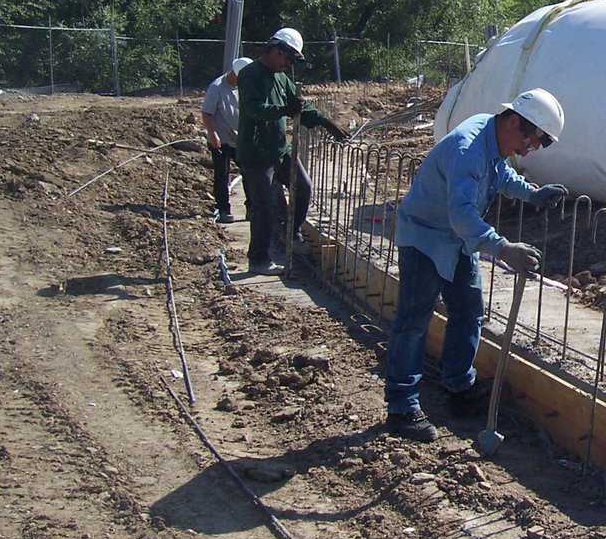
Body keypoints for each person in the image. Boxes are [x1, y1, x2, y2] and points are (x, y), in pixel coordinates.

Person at [385, 88, 570, 441]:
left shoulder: (491, 135)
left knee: (469, 312)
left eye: (541, 143)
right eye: (533, 139)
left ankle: (458, 388)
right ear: (514, 121)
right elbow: (462, 214)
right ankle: (401, 406)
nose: (531, 148)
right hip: (424, 237)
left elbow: (498, 174)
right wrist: (502, 249)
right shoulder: (468, 147)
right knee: (413, 322)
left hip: (455, 240)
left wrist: (531, 193)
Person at [237, 28, 348, 274]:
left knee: (304, 186)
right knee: (263, 207)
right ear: (276, 51)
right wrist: (283, 109)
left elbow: (301, 107)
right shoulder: (250, 74)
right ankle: (258, 259)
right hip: (256, 153)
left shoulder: (281, 78)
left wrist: (326, 122)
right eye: (288, 59)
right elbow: (255, 108)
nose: (288, 65)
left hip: (278, 149)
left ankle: (292, 231)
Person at [201, 56, 253, 223]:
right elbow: (206, 113)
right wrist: (212, 133)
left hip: (239, 139)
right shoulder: (216, 88)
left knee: (250, 173)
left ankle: (251, 208)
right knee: (222, 174)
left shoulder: (242, 86)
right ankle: (223, 209)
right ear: (234, 74)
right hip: (220, 139)